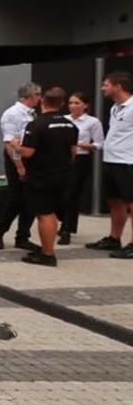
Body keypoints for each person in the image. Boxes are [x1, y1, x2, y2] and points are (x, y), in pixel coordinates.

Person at [17, 88, 78, 267]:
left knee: (45, 214)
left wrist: (15, 145)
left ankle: (47, 254)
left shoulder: (36, 125)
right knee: (51, 212)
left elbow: (28, 153)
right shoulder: (70, 125)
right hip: (64, 175)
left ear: (42, 101)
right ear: (61, 103)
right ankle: (47, 248)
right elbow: (73, 152)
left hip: (41, 176)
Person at [87, 72, 133, 258]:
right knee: (114, 201)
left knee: (131, 203)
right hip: (111, 160)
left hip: (128, 161)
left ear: (118, 87)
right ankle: (114, 238)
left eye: (106, 84)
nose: (102, 88)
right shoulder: (115, 107)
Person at [0, 83, 41, 251]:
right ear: (29, 96)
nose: (40, 98)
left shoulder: (33, 114)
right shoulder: (12, 114)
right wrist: (19, 166)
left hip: (31, 158)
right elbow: (11, 145)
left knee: (30, 200)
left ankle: (23, 237)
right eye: (38, 95)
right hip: (17, 158)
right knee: (15, 199)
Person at [60, 92, 104, 245]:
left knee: (72, 194)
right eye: (71, 103)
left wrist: (78, 144)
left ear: (85, 105)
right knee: (60, 193)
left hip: (80, 159)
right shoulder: (63, 120)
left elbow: (99, 144)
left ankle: (67, 230)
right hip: (62, 159)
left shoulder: (92, 122)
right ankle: (61, 222)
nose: (73, 106)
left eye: (77, 103)